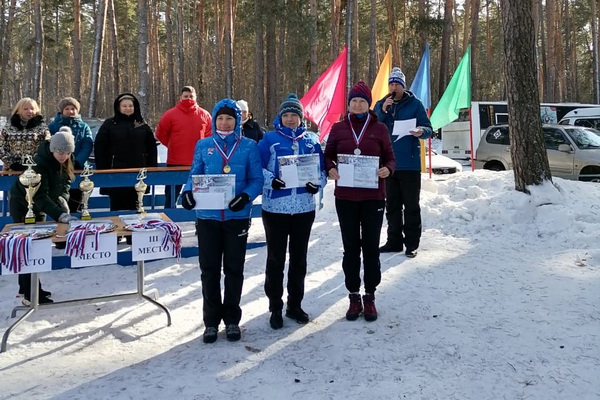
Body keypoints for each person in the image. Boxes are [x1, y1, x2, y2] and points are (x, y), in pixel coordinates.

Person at [180, 99, 263, 344]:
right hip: (208, 218)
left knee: (234, 270)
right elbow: (194, 174)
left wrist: (245, 197)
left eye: (229, 118)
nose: (225, 123)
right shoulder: (204, 144)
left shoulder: (248, 146)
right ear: (214, 120)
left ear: (237, 120)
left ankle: (232, 320)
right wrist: (187, 193)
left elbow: (256, 179)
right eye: (220, 118)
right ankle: (211, 322)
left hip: (237, 217)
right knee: (209, 270)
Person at [325, 81, 396, 321]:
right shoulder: (338, 128)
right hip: (345, 197)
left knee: (371, 247)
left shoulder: (380, 129)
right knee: (351, 247)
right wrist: (330, 168)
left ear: (369, 104)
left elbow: (391, 158)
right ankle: (354, 295)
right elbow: (327, 155)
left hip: (373, 197)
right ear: (348, 104)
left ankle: (370, 295)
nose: (357, 105)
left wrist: (388, 169)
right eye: (353, 101)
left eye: (362, 101)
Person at [257, 93, 326, 330]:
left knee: (299, 259)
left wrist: (317, 184)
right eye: (285, 115)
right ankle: (275, 306)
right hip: (275, 209)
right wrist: (271, 181)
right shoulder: (269, 140)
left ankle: (294, 304)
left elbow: (322, 170)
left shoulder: (312, 140)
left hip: (304, 209)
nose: (289, 119)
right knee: (276, 259)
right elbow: (257, 168)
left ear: (300, 117)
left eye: (293, 115)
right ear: (280, 117)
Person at [9, 127, 79, 304]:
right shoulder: (39, 164)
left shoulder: (67, 160)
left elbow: (65, 184)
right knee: (28, 246)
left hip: (42, 204)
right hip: (23, 204)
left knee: (37, 245)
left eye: (68, 152)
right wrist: (59, 215)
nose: (64, 156)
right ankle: (29, 293)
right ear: (53, 149)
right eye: (60, 152)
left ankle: (29, 287)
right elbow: (39, 196)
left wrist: (63, 199)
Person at [374, 67, 432, 258]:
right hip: (388, 164)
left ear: (403, 86)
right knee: (392, 205)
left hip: (409, 163)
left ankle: (412, 244)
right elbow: (373, 126)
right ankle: (394, 241)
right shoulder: (382, 104)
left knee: (411, 205)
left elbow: (428, 128)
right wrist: (383, 110)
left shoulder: (415, 104)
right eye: (391, 84)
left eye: (397, 84)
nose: (393, 87)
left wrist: (421, 131)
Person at [94, 92, 157, 211]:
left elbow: (151, 148)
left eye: (130, 106)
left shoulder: (141, 124)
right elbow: (100, 147)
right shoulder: (109, 124)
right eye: (124, 106)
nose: (128, 108)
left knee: (137, 206)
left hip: (138, 171)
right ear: (118, 107)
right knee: (117, 206)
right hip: (115, 171)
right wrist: (103, 169)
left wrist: (152, 168)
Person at [155, 86, 212, 208]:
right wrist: (172, 145)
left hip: (198, 162)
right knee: (171, 196)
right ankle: (169, 215)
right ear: (180, 97)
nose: (188, 99)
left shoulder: (204, 115)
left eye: (191, 96)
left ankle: (199, 217)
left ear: (196, 97)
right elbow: (160, 133)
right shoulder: (170, 114)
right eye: (186, 96)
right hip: (175, 162)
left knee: (200, 195)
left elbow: (209, 136)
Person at [48, 97, 93, 213]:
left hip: (79, 167)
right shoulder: (53, 126)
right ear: (62, 111)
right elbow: (49, 144)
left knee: (77, 196)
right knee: (60, 196)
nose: (70, 111)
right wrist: (59, 160)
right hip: (59, 166)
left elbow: (87, 145)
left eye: (73, 108)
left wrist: (77, 162)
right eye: (67, 109)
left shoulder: (84, 127)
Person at [0, 97, 50, 171]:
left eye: (32, 108)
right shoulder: (9, 127)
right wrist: (10, 162)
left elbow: (46, 146)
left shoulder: (42, 127)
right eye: (25, 109)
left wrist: (35, 161)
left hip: (36, 169)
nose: (29, 111)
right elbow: (1, 146)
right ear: (18, 110)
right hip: (12, 170)